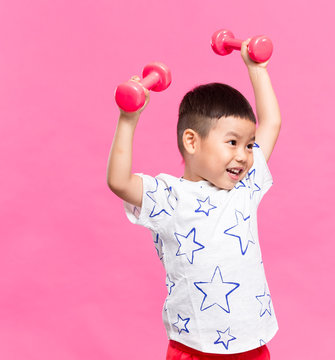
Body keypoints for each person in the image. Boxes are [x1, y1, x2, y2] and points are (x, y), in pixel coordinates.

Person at [107, 40, 281, 360]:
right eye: (232, 142)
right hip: (193, 348)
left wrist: (257, 69)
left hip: (253, 345)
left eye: (249, 145)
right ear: (191, 141)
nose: (244, 156)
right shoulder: (170, 197)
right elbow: (118, 181)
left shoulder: (244, 189)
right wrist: (128, 119)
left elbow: (271, 123)